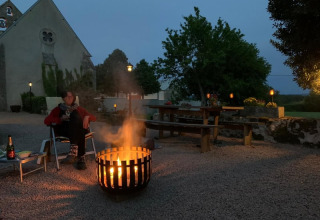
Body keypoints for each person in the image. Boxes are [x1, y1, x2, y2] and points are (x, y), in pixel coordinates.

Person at [44, 91, 96, 170]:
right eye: (67, 96)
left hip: (77, 131)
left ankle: (73, 153)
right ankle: (81, 159)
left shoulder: (79, 108)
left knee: (76, 119)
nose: (69, 98)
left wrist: (87, 117)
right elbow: (47, 121)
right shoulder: (57, 109)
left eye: (71, 96)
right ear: (63, 98)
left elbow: (94, 118)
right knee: (78, 125)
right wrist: (60, 119)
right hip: (65, 131)